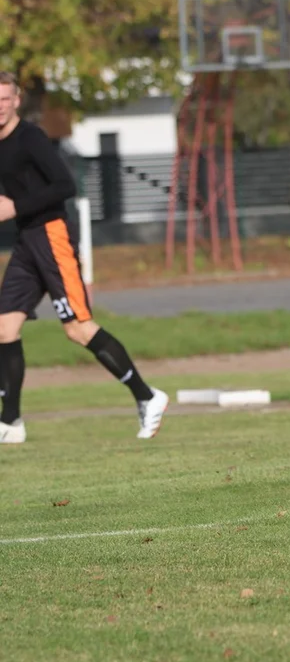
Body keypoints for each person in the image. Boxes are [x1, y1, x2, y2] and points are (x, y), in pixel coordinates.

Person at [0, 71, 168, 444]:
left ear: (16, 100)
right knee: (3, 328)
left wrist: (15, 206)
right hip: (27, 241)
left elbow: (65, 185)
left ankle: (148, 396)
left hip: (52, 235)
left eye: (5, 99)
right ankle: (10, 421)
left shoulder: (31, 138)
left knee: (77, 328)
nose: (0, 106)